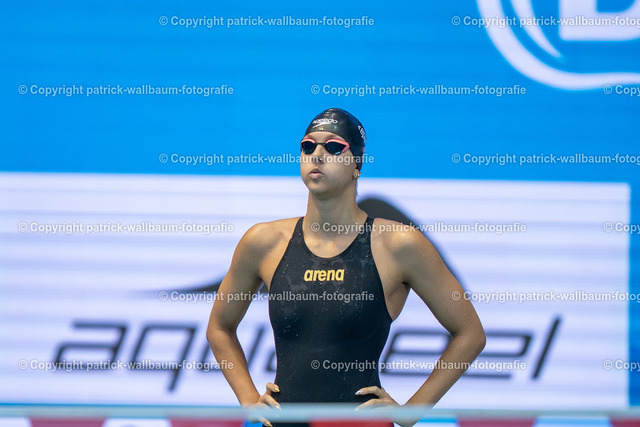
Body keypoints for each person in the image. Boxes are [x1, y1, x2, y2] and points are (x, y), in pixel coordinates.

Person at [207, 108, 486, 427]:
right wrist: (247, 398)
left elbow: (470, 334)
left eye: (333, 147)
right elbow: (219, 327)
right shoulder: (264, 241)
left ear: (357, 165)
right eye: (308, 146)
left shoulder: (397, 245)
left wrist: (411, 411)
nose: (317, 154)